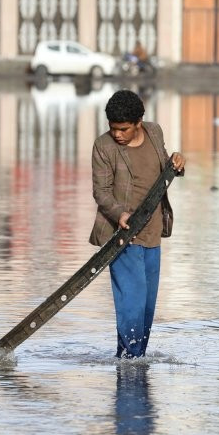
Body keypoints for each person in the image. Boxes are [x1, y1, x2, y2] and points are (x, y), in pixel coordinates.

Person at [90, 90, 186, 358]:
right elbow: (101, 191)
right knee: (130, 305)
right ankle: (132, 362)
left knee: (146, 309)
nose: (117, 134)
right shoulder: (103, 146)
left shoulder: (154, 132)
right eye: (113, 129)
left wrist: (177, 162)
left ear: (139, 122)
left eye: (123, 129)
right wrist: (119, 213)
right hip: (123, 237)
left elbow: (165, 166)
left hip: (153, 233)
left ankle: (131, 359)